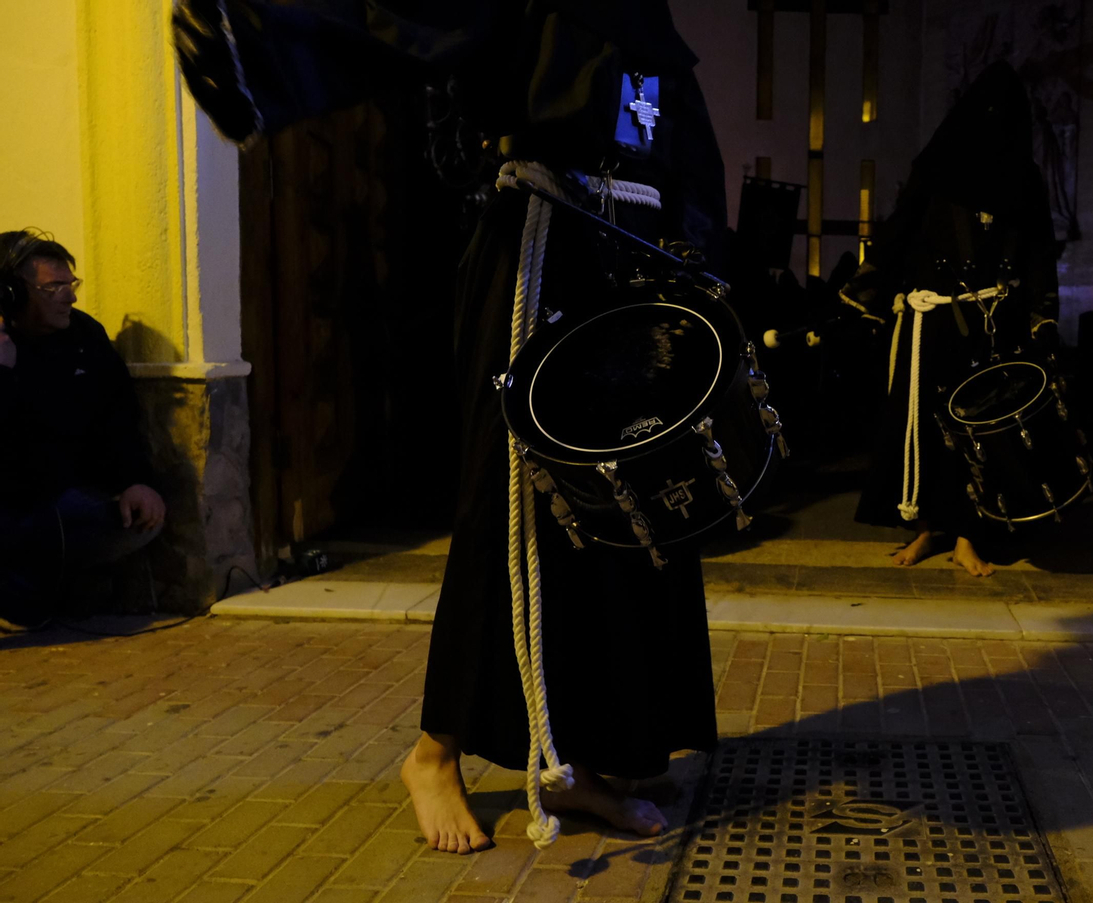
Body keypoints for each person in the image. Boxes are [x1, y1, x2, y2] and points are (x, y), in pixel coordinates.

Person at [172, 0, 724, 854]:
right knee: (513, 513)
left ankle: (576, 762)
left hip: (632, 267)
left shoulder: (648, 22)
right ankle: (435, 753)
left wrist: (701, 284)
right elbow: (402, 24)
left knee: (622, 523)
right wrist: (247, 38)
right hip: (544, 252)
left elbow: (686, 154)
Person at [843, 62, 1060, 577]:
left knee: (982, 432)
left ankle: (969, 536)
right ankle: (924, 530)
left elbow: (1036, 253)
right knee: (924, 429)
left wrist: (1039, 317)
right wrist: (862, 293)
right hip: (932, 324)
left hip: (993, 324)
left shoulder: (1023, 178)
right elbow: (898, 234)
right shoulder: (936, 168)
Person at [0, 230, 166, 628]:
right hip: (10, 503)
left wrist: (135, 480)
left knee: (137, 523)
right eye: (55, 286)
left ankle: (27, 583)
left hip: (60, 498)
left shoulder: (85, 336)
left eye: (70, 284)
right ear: (11, 293)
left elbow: (118, 416)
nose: (70, 297)